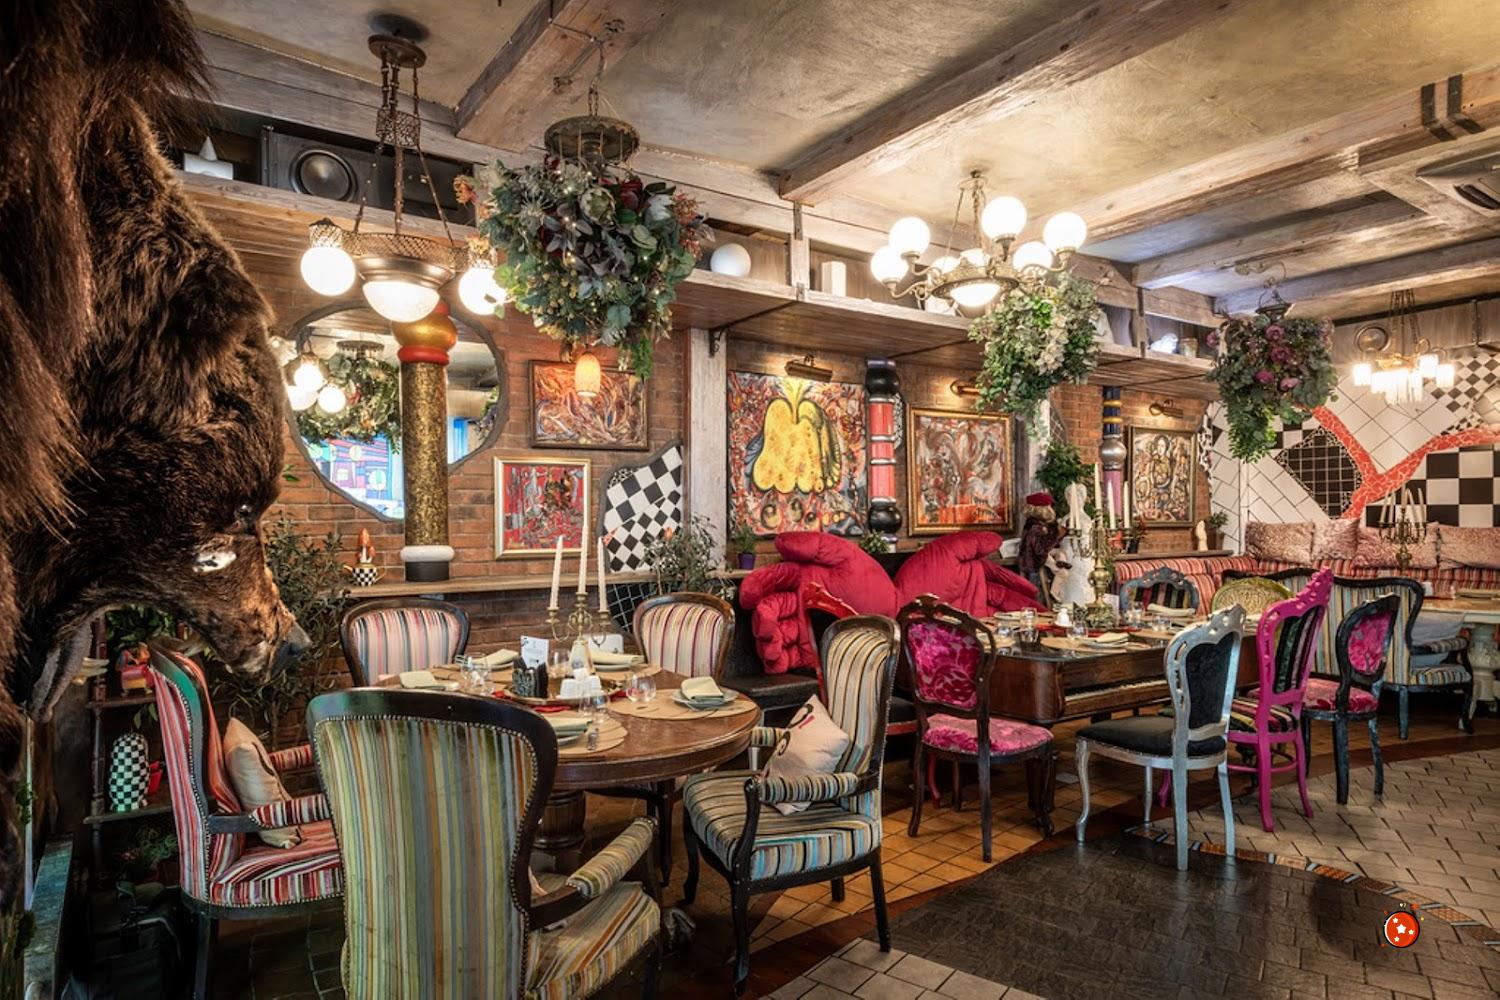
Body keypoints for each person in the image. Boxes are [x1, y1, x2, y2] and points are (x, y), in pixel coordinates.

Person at [1018, 491, 1063, 593]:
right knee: (1034, 593)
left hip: (1032, 563)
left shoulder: (1034, 524)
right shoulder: (1036, 527)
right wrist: (1056, 535)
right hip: (1033, 565)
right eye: (1048, 506)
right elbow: (1041, 549)